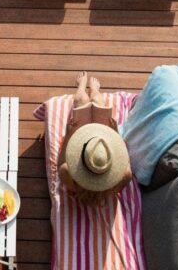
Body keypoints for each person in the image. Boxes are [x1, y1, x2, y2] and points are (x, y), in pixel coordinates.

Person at [57, 72, 134, 205]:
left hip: (92, 144)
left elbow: (61, 161)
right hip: (101, 145)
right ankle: (94, 90)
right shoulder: (122, 178)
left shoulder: (69, 176)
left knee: (82, 102)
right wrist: (115, 132)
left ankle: (82, 87)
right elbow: (124, 155)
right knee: (98, 104)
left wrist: (69, 134)